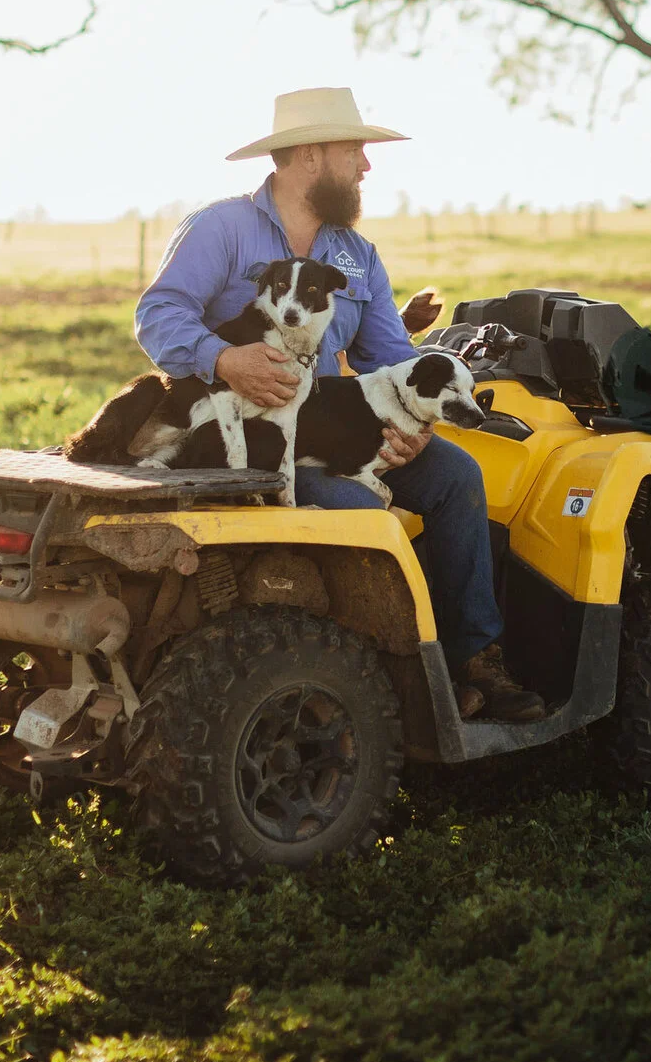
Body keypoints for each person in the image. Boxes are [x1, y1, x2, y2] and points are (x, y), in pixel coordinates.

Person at [134, 86, 544, 722]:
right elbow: (158, 314)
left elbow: (389, 359)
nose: (366, 166)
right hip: (259, 442)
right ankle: (391, 686)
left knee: (457, 475)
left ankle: (472, 658)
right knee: (364, 518)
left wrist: (419, 426)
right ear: (306, 156)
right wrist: (223, 359)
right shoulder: (221, 228)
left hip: (341, 429)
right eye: (354, 150)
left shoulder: (358, 253)